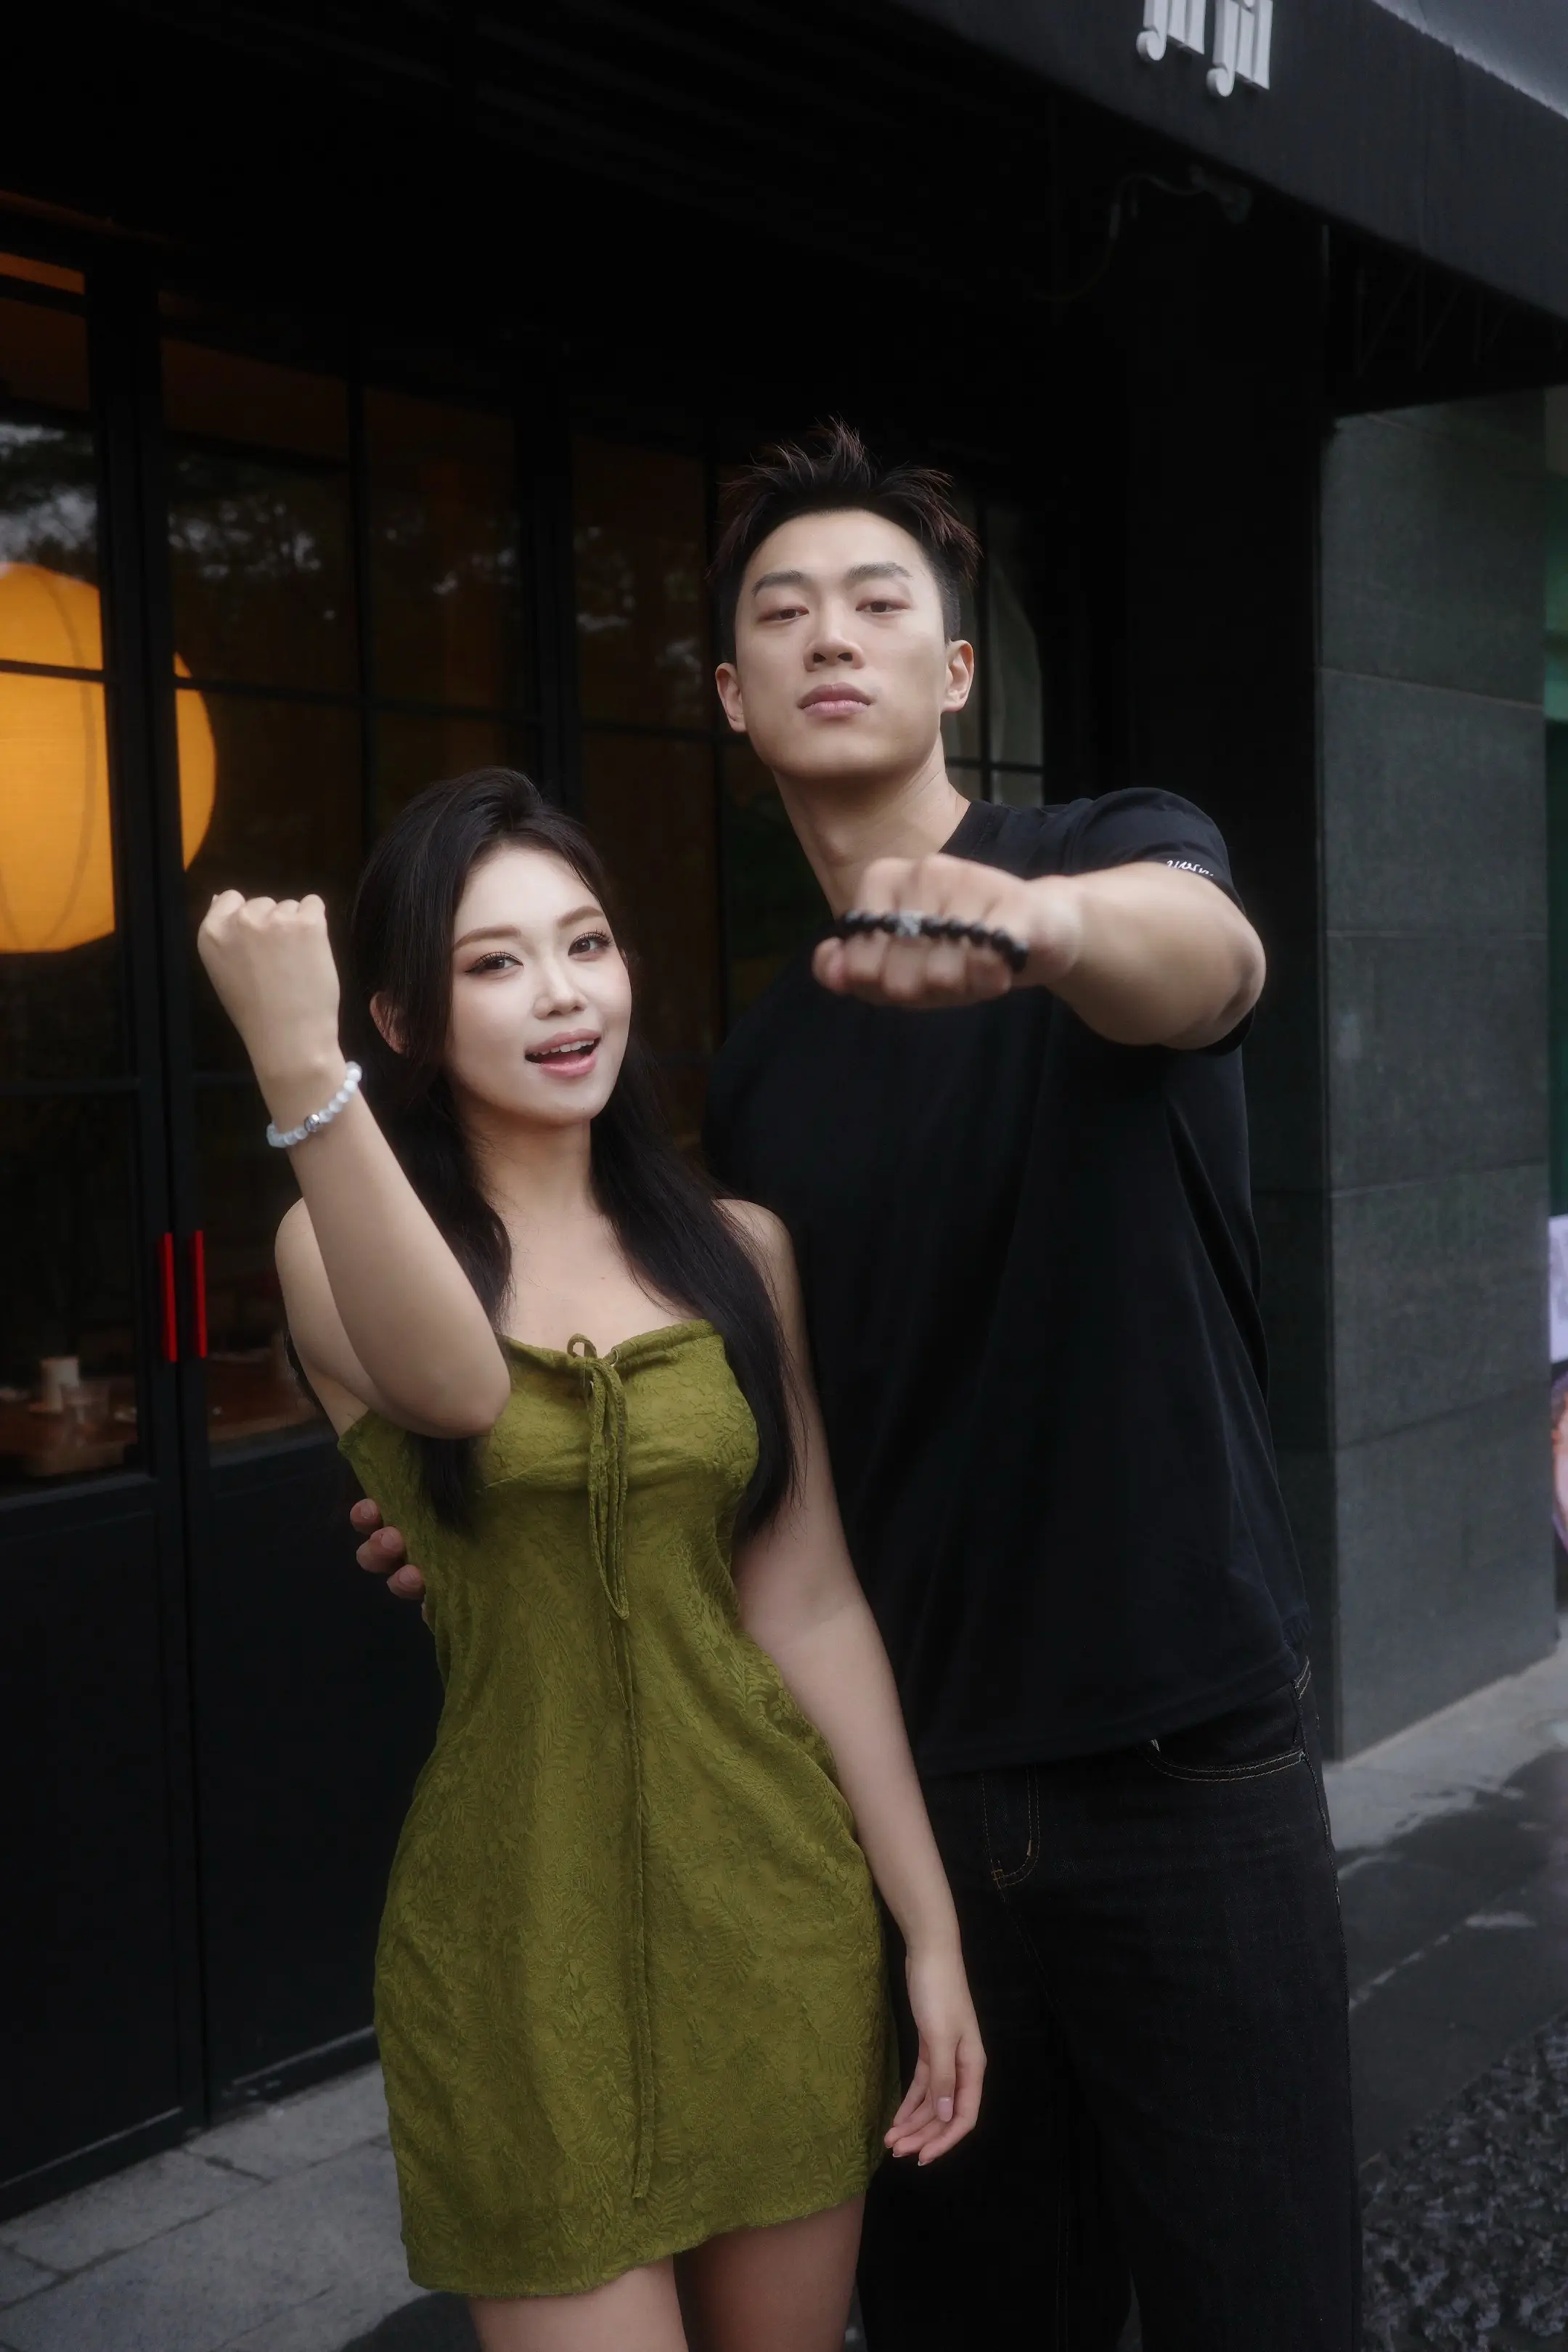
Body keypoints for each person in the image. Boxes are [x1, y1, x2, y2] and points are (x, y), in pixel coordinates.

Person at [353, 426, 1360, 2351]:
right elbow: (747, 1441)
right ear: (731, 694)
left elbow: (1212, 964)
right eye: (784, 610)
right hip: (906, 1807)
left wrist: (1045, 931)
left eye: (880, 601)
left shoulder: (1107, 860)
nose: (833, 633)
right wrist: (520, 1504)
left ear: (955, 670)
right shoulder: (759, 1079)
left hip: (1182, 1772)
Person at [197, 767, 983, 2352]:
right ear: (404, 1021)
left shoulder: (739, 1251)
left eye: (587, 943)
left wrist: (931, 1930)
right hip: (518, 1938)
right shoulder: (331, 1240)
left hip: (771, 1909)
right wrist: (299, 1066)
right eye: (494, 963)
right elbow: (460, 1391)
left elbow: (811, 1605)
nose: (563, 994)